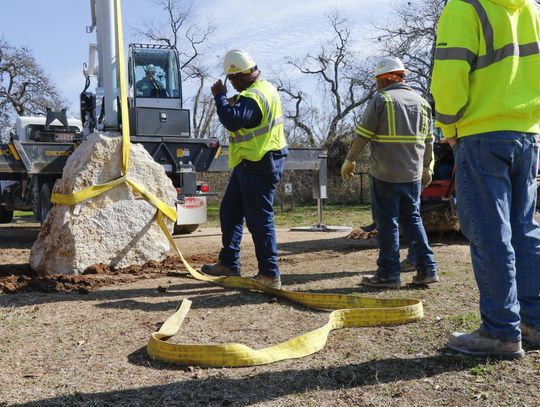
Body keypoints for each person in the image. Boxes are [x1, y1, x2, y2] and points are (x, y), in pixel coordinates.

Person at [431, 0, 540, 359]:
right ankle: (533, 322)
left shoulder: (464, 8)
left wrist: (449, 125)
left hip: (481, 134)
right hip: (526, 134)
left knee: (492, 233)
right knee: (523, 228)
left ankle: (500, 330)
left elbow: (448, 76)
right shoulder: (532, 10)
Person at [341, 56, 438, 289]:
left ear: (384, 79)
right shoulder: (422, 102)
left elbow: (362, 135)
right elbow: (429, 141)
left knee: (387, 224)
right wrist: (427, 167)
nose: (376, 85)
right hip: (413, 175)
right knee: (413, 220)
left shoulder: (381, 100)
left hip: (385, 175)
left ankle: (388, 274)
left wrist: (349, 160)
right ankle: (427, 269)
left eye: (377, 81)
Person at [202, 49, 288, 289]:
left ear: (239, 76)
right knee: (230, 211)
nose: (231, 85)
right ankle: (229, 263)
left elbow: (231, 120)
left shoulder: (252, 97)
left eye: (231, 81)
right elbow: (246, 119)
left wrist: (220, 96)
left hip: (260, 164)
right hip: (249, 163)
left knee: (259, 220)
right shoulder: (264, 89)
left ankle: (270, 274)